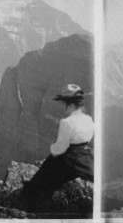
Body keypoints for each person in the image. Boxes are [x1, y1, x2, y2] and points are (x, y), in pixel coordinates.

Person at [22, 83, 94, 214]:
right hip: (86, 157)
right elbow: (88, 139)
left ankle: (35, 206)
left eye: (64, 103)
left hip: (69, 160)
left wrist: (52, 147)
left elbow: (59, 149)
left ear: (70, 104)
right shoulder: (88, 119)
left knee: (45, 174)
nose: (62, 106)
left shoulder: (67, 122)